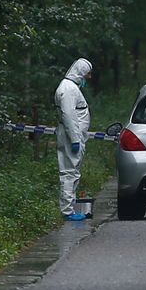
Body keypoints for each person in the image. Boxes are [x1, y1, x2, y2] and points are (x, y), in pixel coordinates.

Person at [54, 58, 93, 221]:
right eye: (87, 74)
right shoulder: (69, 89)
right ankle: (68, 211)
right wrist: (75, 139)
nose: (89, 78)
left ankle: (69, 208)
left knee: (71, 172)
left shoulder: (69, 87)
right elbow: (69, 115)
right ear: (81, 73)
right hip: (72, 138)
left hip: (72, 136)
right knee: (70, 173)